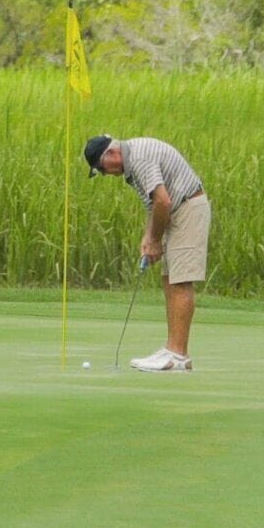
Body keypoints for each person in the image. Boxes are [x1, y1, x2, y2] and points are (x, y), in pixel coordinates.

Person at [83, 132, 209, 372]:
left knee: (180, 281)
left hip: (188, 209)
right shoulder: (133, 158)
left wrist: (154, 239)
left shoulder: (138, 159)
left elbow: (163, 201)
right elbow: (155, 204)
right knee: (170, 279)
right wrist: (148, 236)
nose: (105, 173)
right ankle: (172, 348)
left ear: (111, 153)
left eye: (101, 167)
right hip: (180, 210)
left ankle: (178, 355)